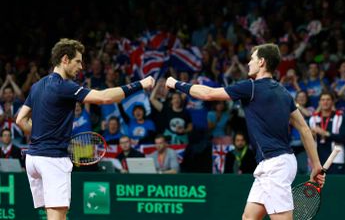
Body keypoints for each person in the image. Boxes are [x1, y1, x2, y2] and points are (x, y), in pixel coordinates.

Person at [166, 43, 325, 220]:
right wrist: (317, 164)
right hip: (270, 164)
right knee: (249, 218)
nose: (249, 63)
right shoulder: (284, 93)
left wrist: (176, 83)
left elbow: (208, 94)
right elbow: (304, 128)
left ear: (262, 62)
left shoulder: (251, 87)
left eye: (252, 59)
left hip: (276, 165)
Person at [15, 38, 155, 220]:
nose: (81, 67)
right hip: (52, 159)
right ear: (65, 59)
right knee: (56, 215)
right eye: (78, 61)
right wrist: (140, 84)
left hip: (33, 158)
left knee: (56, 212)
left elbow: (20, 119)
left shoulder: (37, 86)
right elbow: (104, 97)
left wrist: (41, 135)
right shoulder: (64, 87)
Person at [309, 91, 345, 174]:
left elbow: (343, 138)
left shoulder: (340, 117)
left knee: (335, 185)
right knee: (320, 186)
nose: (325, 102)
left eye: (328, 99)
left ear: (333, 102)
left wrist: (325, 133)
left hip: (336, 159)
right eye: (323, 100)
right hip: (318, 160)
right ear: (319, 102)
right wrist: (312, 136)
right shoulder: (313, 119)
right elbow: (308, 141)